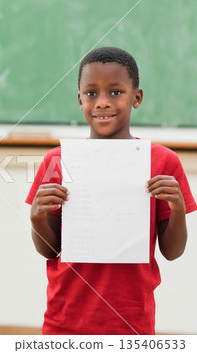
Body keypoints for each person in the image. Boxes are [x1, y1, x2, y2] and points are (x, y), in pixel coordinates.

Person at [26, 46, 197, 335]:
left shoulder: (163, 161)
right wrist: (36, 218)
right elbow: (49, 250)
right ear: (80, 100)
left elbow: (172, 251)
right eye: (91, 93)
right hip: (64, 322)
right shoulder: (57, 160)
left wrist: (178, 208)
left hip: (132, 324)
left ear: (137, 97)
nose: (102, 102)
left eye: (116, 92)